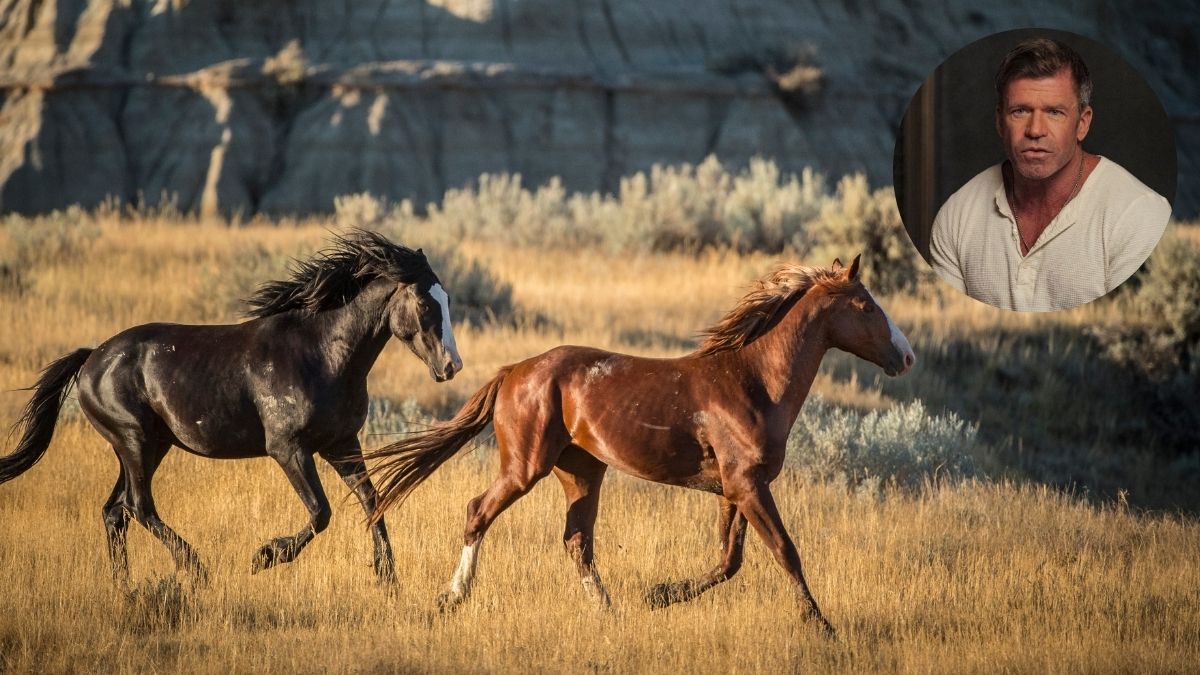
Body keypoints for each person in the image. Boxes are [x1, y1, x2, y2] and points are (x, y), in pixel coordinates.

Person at [929, 37, 1171, 311]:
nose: (1035, 130)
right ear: (999, 122)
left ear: (1082, 124)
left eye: (1054, 112)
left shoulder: (1139, 217)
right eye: (1020, 111)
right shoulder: (957, 216)